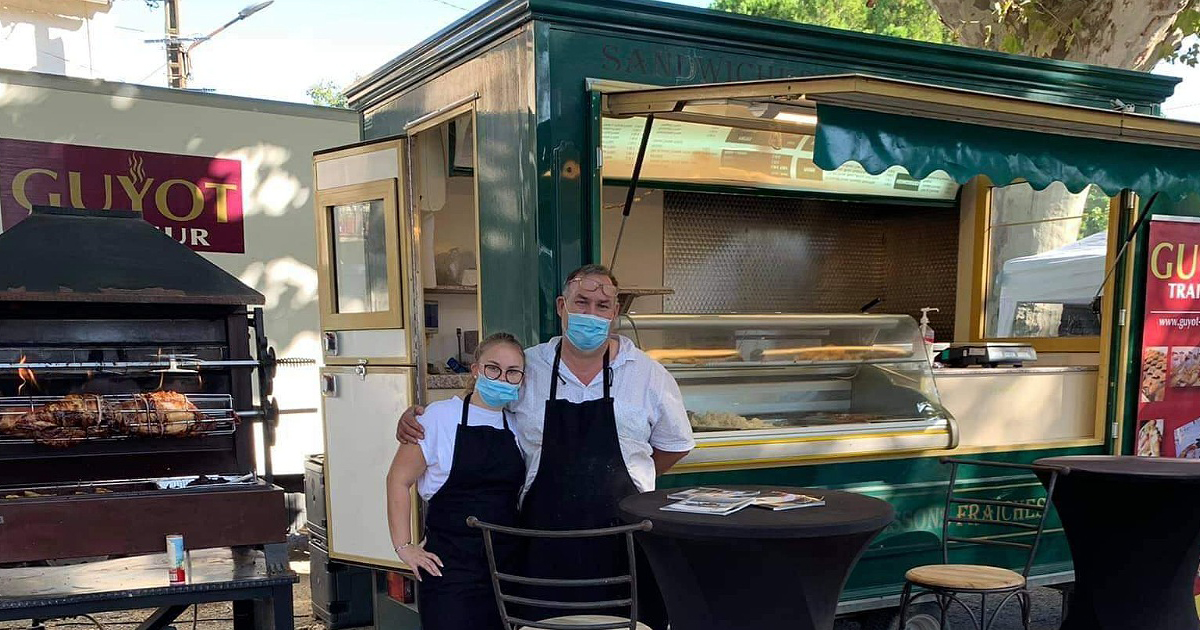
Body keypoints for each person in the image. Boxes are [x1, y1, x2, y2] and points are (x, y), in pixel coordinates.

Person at [396, 264, 695, 628]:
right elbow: (481, 406)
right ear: (561, 306)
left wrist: (628, 480)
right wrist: (417, 419)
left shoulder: (649, 375)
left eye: (602, 305)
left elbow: (674, 445)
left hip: (624, 544)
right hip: (540, 546)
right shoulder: (530, 366)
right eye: (581, 302)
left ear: (615, 312)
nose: (591, 313)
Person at [385, 332, 527, 630]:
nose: (502, 378)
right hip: (450, 570)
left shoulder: (518, 426)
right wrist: (404, 547)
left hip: (506, 569)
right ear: (476, 369)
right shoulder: (438, 418)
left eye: (513, 372)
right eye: (493, 368)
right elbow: (398, 479)